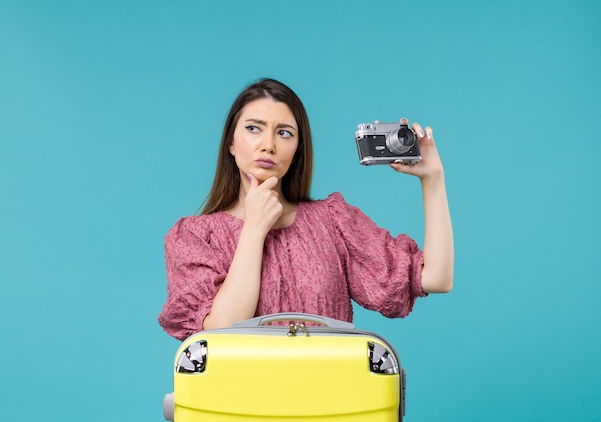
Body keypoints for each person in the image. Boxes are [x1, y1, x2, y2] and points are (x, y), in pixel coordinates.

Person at [158, 78, 453, 341]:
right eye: (253, 129)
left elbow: (436, 278)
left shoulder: (332, 221)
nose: (268, 145)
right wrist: (255, 228)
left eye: (284, 133)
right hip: (240, 401)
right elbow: (222, 333)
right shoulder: (195, 238)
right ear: (231, 144)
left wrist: (433, 179)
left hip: (331, 399)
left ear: (298, 148)